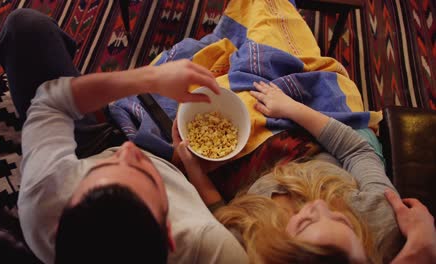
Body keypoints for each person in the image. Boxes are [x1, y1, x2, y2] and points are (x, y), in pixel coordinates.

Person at [0, 8, 248, 264]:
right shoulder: (207, 245)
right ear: (170, 236)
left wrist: (150, 79)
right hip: (173, 162)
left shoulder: (42, 206)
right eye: (144, 173)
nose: (128, 150)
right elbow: (227, 219)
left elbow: (50, 101)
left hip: (87, 149)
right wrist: (192, 169)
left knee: (24, 28)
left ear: (59, 228)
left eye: (92, 176)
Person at [173, 81, 405, 263]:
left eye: (305, 222)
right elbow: (356, 151)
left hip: (251, 172)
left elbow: (222, 213)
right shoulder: (381, 219)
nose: (320, 205)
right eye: (342, 220)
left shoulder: (243, 250)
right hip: (318, 147)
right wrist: (291, 108)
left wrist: (193, 169)